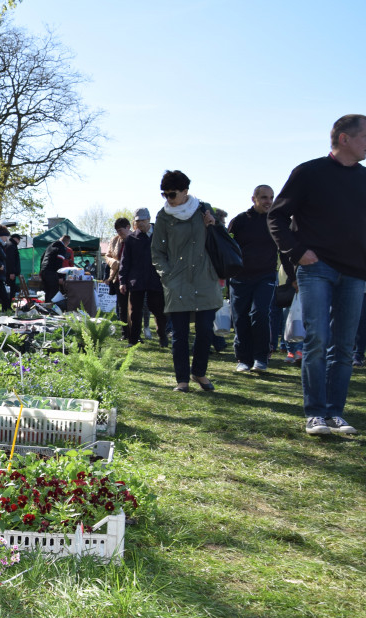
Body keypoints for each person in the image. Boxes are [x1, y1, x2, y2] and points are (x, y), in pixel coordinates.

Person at [268, 114, 366, 436]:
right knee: (318, 339)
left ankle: (335, 413)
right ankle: (315, 414)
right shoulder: (309, 172)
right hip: (316, 269)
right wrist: (297, 253)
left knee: (345, 346)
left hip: (355, 274)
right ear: (344, 139)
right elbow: (276, 216)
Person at [150, 170, 222, 393]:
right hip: (177, 280)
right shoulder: (163, 216)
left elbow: (223, 240)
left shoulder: (203, 208)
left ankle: (199, 372)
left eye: (172, 194)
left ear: (185, 192)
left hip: (204, 279)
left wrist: (214, 225)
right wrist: (167, 276)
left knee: (205, 330)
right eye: (164, 194)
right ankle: (182, 379)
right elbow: (157, 252)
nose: (167, 199)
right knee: (179, 334)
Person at [227, 185, 277, 373]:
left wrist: (293, 275)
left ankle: (261, 358)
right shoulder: (239, 221)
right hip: (240, 278)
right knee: (240, 318)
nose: (268, 201)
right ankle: (243, 359)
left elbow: (287, 248)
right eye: (264, 197)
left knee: (259, 314)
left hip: (266, 275)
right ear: (253, 199)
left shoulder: (276, 220)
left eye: (271, 197)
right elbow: (226, 247)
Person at [119, 208, 168, 347]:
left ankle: (162, 335)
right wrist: (122, 281)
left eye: (142, 220)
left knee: (159, 309)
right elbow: (125, 261)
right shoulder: (131, 238)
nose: (140, 223)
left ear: (149, 219)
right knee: (134, 311)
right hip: (136, 280)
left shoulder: (160, 235)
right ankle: (133, 339)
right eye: (137, 220)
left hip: (156, 279)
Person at [104, 218, 132, 337]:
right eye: (117, 231)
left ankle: (135, 333)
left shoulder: (135, 239)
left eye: (120, 230)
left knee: (134, 307)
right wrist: (113, 262)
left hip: (133, 278)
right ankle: (125, 333)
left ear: (128, 227)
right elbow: (107, 255)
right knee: (122, 306)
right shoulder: (114, 240)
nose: (119, 233)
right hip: (118, 278)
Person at [40, 234, 71, 302]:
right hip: (52, 271)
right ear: (67, 242)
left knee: (47, 291)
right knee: (53, 291)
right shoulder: (61, 248)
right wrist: (60, 276)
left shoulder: (50, 246)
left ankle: (46, 308)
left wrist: (41, 270)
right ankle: (51, 309)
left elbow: (42, 257)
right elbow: (59, 263)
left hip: (44, 270)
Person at [4, 233, 23, 300]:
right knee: (10, 289)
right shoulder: (11, 246)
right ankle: (8, 305)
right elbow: (10, 260)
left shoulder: (10, 245)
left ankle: (8, 304)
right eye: (18, 239)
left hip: (9, 273)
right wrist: (11, 272)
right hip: (10, 273)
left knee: (10, 289)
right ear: (15, 239)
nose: (19, 241)